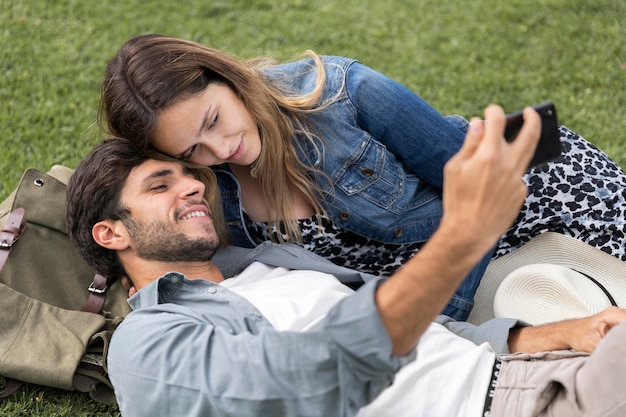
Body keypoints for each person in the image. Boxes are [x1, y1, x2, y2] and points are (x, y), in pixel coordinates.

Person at [66, 110, 626, 417]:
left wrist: (563, 332)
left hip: (526, 374)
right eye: (161, 185)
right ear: (111, 231)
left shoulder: (274, 264)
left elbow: (431, 333)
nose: (192, 186)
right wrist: (460, 239)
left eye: (189, 175)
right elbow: (306, 381)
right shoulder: (147, 344)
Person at [98, 34, 626, 321]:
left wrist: (448, 318)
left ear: (227, 77)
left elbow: (485, 192)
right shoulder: (201, 185)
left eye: (214, 121)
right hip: (437, 261)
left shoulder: (347, 92)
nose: (221, 150)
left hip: (536, 192)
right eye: (192, 149)